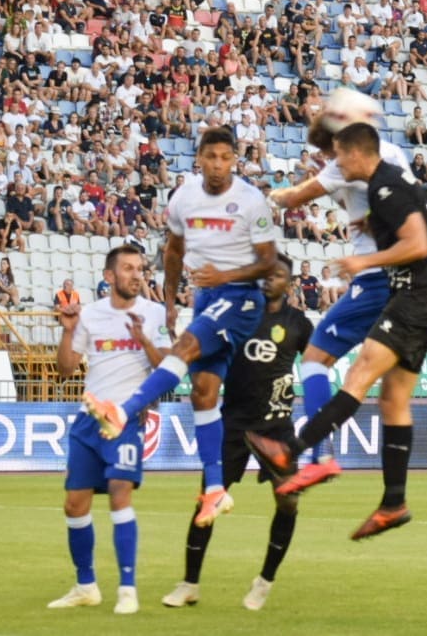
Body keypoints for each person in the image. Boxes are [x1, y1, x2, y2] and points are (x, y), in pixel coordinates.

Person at [246, 123, 427, 541]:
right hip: (415, 294)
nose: (335, 165)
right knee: (396, 398)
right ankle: (394, 502)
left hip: (410, 295)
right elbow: (415, 221)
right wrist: (370, 226)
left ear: (355, 152)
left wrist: (363, 261)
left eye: (338, 156)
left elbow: (417, 244)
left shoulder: (384, 185)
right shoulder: (392, 179)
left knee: (350, 372)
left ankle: (302, 452)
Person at [82, 126, 277, 528]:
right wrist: (169, 302)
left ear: (234, 160)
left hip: (241, 298)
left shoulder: (251, 200)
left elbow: (268, 262)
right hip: (206, 298)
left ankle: (123, 412)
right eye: (212, 157)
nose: (218, 165)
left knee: (186, 348)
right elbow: (173, 251)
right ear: (199, 159)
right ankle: (216, 489)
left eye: (226, 158)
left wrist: (225, 276)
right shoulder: (184, 198)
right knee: (203, 394)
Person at [161, 253, 312, 612]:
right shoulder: (239, 313)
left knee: (288, 501)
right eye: (265, 273)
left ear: (289, 283)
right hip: (233, 423)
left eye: (278, 275)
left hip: (276, 425)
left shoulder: (298, 323)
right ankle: (189, 583)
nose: (269, 279)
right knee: (208, 502)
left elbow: (319, 361)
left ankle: (265, 580)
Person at [48, 245, 171, 615]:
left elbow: (167, 369)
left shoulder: (154, 313)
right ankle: (85, 586)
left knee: (120, 492)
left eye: (140, 269)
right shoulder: (90, 315)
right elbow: (65, 369)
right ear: (109, 276)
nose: (137, 275)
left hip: (127, 417)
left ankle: (127, 589)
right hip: (90, 417)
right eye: (128, 268)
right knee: (74, 503)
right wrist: (69, 331)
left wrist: (144, 339)